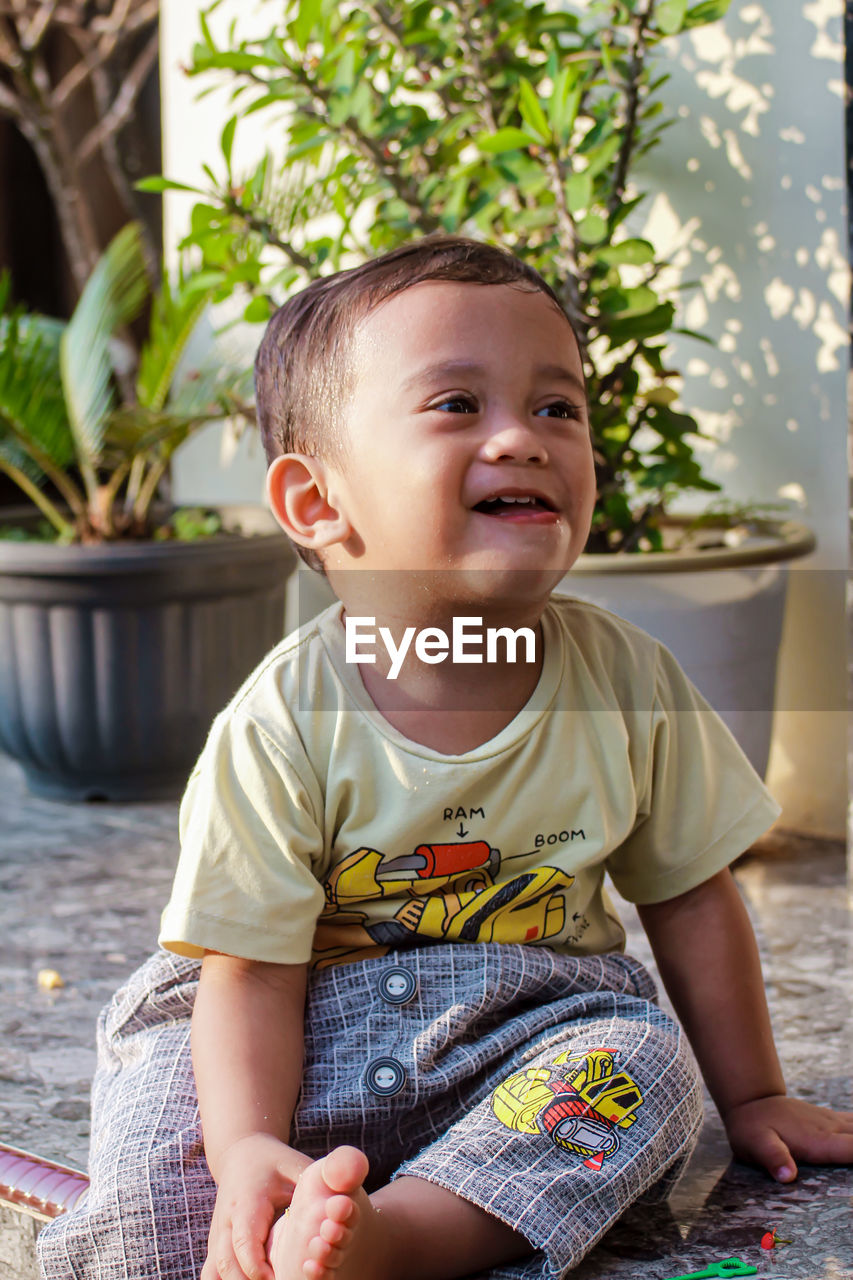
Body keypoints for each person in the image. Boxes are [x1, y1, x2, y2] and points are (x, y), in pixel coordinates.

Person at [38, 236, 853, 1280]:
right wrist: (246, 1146)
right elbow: (245, 969)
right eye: (457, 405)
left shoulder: (627, 681)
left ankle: (399, 1241)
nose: (523, 438)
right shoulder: (282, 717)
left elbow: (693, 898)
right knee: (177, 1138)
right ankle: (250, 1236)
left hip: (523, 1034)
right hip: (293, 1032)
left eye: (558, 408)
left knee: (643, 1066)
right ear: (317, 504)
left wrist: (750, 1095)